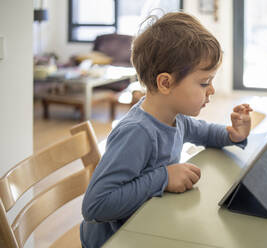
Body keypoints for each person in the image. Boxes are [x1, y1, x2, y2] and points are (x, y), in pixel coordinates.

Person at [80, 12, 252, 247]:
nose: (211, 90)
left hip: (148, 222)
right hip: (118, 239)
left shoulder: (174, 117)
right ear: (165, 83)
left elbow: (203, 131)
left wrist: (231, 134)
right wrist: (164, 177)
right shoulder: (137, 133)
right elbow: (96, 206)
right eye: (204, 82)